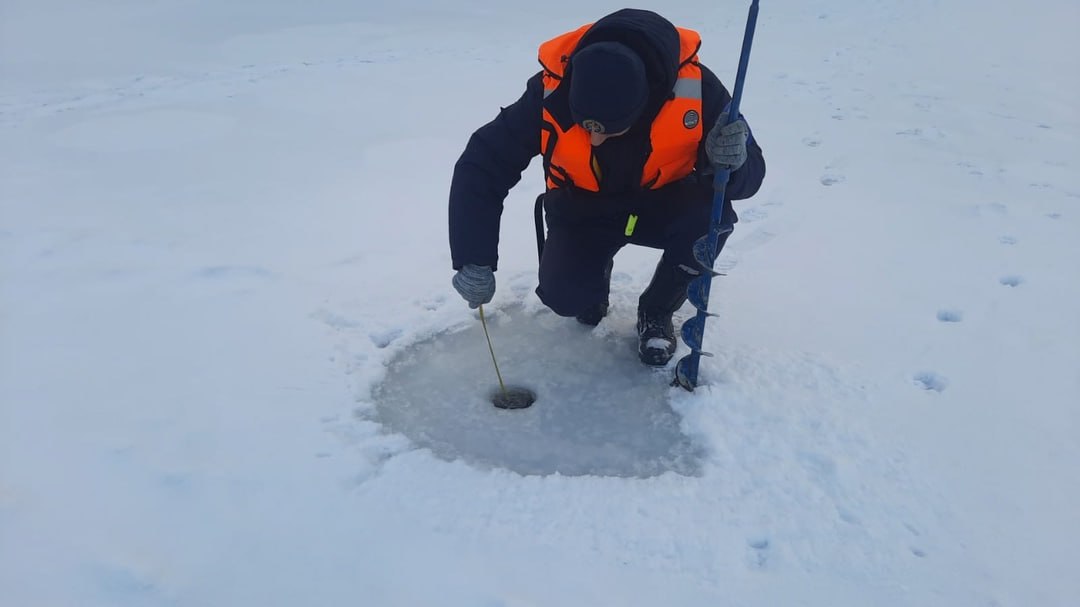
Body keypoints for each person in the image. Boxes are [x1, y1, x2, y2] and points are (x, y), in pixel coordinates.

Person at [449, 8, 765, 366]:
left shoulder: (699, 89)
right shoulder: (549, 89)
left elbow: (751, 177)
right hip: (582, 207)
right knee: (567, 299)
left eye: (608, 128)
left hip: (662, 202)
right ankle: (593, 279)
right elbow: (483, 163)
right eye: (587, 127)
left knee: (712, 216)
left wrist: (733, 162)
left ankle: (657, 309)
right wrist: (473, 256)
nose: (595, 140)